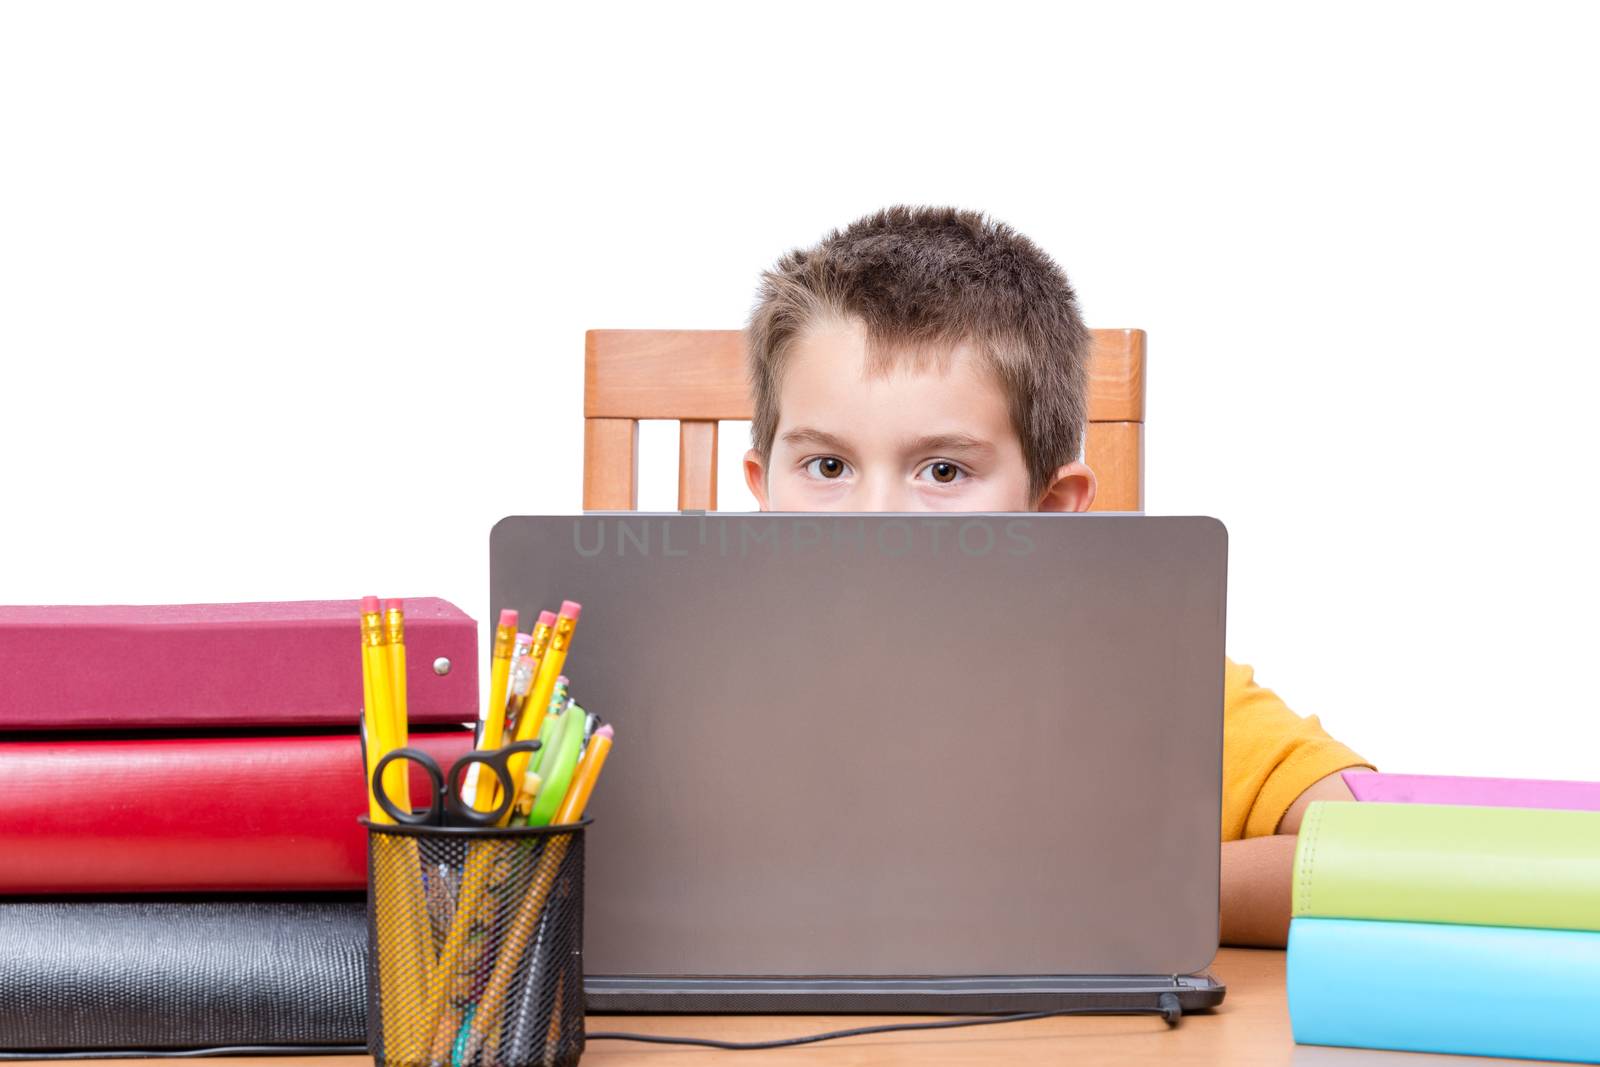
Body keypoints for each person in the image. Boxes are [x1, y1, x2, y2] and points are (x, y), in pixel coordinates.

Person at [740, 205, 1372, 946]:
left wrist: (1100, 896)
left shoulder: (1145, 676)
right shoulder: (686, 673)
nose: (877, 518)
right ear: (763, 487)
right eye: (828, 466)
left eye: (943, 469)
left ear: (1050, 507)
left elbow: (1373, 852)